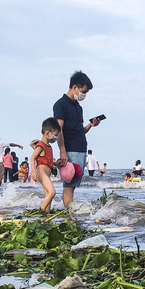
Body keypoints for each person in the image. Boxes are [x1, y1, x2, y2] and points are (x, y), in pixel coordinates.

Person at [53, 70, 102, 207]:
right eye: (83, 91)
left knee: (73, 185)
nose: (84, 95)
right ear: (75, 87)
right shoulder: (61, 104)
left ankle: (70, 212)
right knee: (69, 185)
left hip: (81, 149)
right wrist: (63, 152)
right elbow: (59, 130)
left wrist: (91, 125)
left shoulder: (78, 108)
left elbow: (79, 132)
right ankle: (69, 215)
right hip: (70, 151)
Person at [30, 118, 60, 213]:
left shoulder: (48, 147)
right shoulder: (41, 145)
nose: (56, 138)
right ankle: (41, 212)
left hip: (47, 174)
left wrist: (56, 164)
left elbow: (48, 161)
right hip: (41, 173)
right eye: (55, 135)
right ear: (47, 133)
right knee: (52, 192)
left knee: (48, 194)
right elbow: (32, 158)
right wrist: (34, 173)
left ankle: (46, 215)